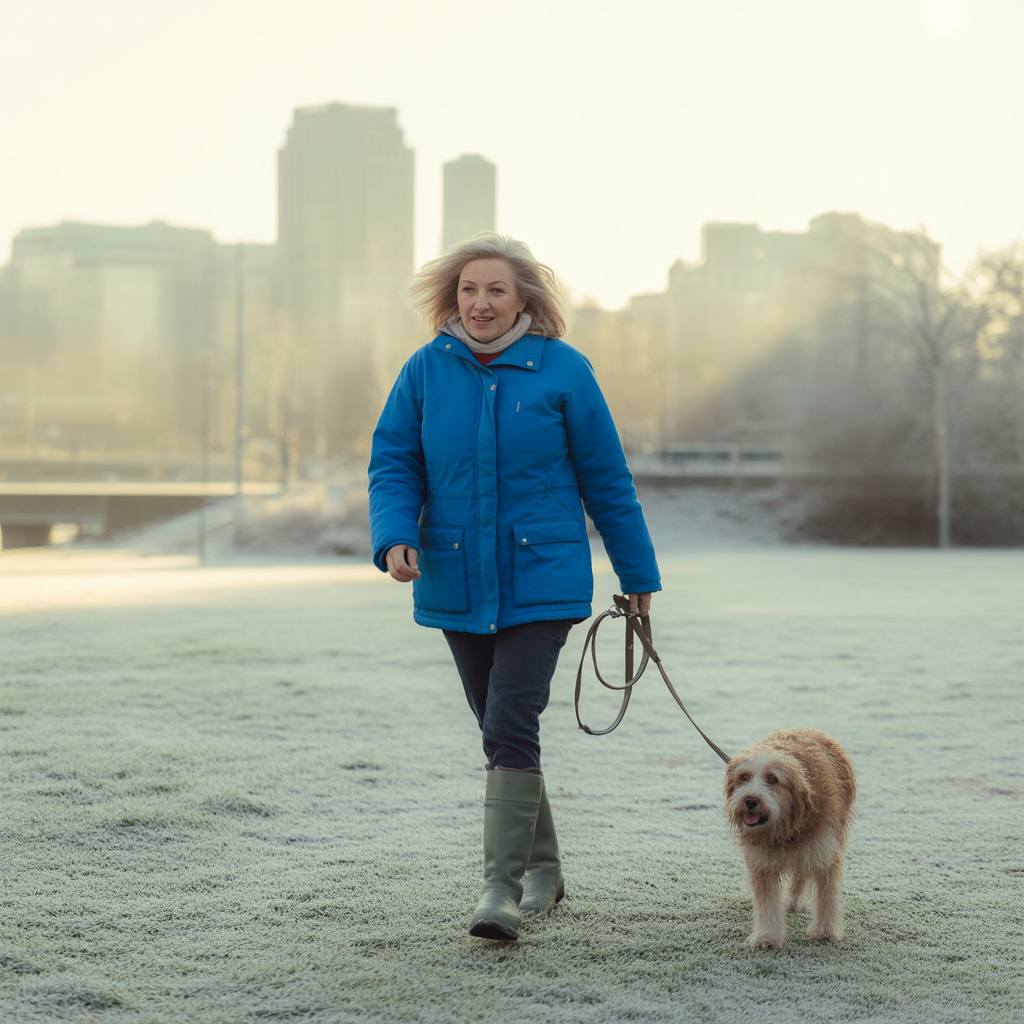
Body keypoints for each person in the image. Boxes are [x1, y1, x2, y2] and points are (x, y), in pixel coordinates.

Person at [368, 233, 660, 941]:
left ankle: (499, 889)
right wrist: (394, 533)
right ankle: (547, 870)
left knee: (507, 723)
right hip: (455, 577)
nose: (481, 303)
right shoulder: (425, 371)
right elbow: (393, 459)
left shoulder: (563, 371)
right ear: (453, 297)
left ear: (523, 299)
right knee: (502, 731)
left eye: (496, 290)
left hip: (543, 580)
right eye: (469, 289)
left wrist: (637, 573)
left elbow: (606, 480)